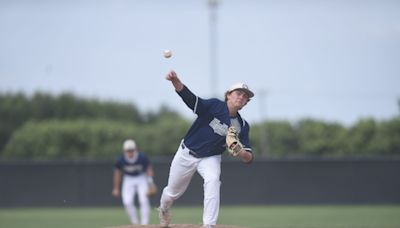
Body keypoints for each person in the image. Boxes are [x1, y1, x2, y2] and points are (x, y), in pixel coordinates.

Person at [158, 70, 254, 228]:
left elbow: (249, 157)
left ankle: (208, 225)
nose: (242, 97)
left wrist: (240, 151)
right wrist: (175, 81)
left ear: (245, 103)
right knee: (172, 193)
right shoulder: (214, 106)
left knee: (213, 180)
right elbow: (191, 100)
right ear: (228, 95)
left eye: (245, 97)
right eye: (238, 93)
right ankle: (164, 209)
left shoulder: (242, 126)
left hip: (211, 158)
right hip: (187, 152)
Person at [112, 139, 155, 225]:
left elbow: (149, 169)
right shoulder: (121, 160)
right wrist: (116, 188)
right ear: (124, 151)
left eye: (131, 150)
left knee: (144, 200)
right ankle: (135, 224)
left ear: (135, 149)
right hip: (128, 179)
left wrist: (150, 182)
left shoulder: (142, 157)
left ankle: (144, 224)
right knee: (127, 202)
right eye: (128, 151)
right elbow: (117, 173)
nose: (130, 152)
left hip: (141, 178)